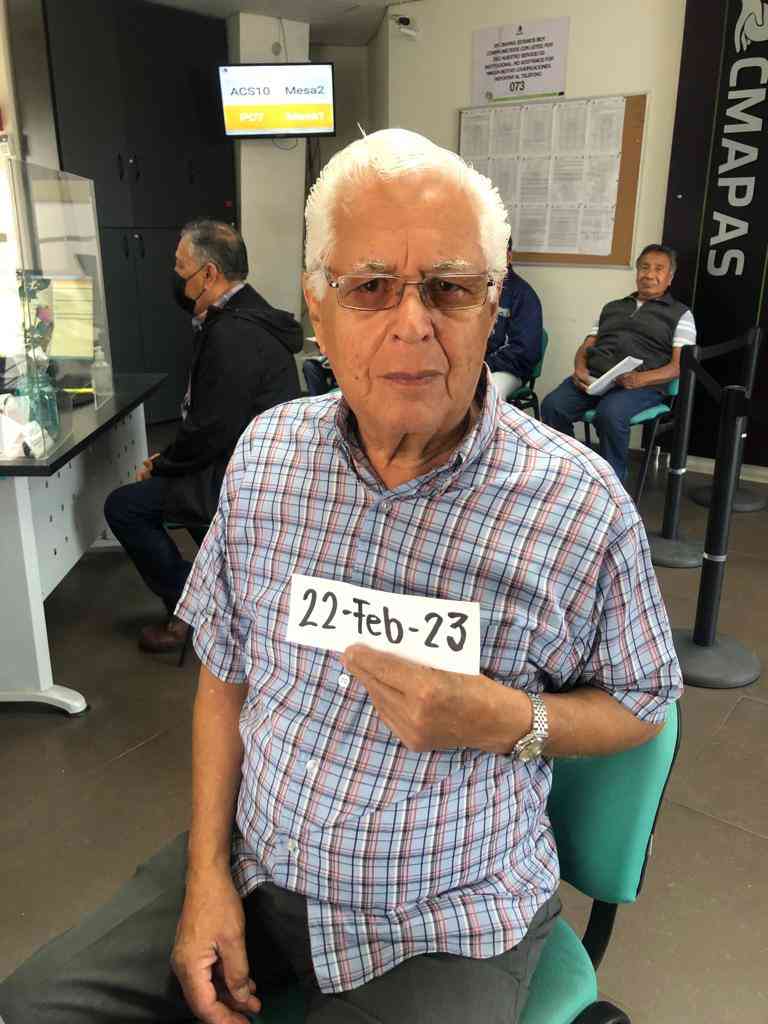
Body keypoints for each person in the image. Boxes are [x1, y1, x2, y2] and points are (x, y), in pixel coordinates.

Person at [0, 130, 682, 1024]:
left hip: (447, 914)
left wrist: (509, 720)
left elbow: (643, 699)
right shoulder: (266, 458)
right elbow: (225, 675)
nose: (413, 323)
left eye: (450, 288)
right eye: (370, 287)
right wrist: (206, 873)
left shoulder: (578, 503)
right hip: (253, 864)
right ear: (318, 311)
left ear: (492, 308)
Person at [104, 219, 303, 653]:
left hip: (240, 478)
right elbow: (211, 423)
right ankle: (211, 597)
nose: (176, 276)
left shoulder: (233, 333)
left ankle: (190, 609)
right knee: (167, 497)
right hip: (249, 466)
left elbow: (210, 429)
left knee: (124, 507)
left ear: (208, 274)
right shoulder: (247, 315)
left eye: (181, 267)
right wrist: (170, 459)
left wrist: (164, 464)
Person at [541, 244, 696, 482]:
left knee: (610, 414)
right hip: (594, 378)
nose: (649, 274)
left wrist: (640, 379)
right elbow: (586, 346)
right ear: (637, 272)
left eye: (658, 269)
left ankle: (612, 485)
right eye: (644, 267)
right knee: (552, 406)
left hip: (642, 386)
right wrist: (579, 369)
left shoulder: (681, 314)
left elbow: (678, 367)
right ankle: (572, 472)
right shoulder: (613, 307)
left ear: (670, 278)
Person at [485, 236, 543, 398]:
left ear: (509, 257)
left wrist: (485, 365)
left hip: (507, 369)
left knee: (487, 393)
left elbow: (525, 351)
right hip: (470, 365)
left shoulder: (524, 295)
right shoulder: (472, 288)